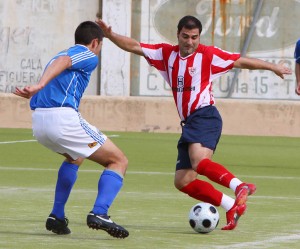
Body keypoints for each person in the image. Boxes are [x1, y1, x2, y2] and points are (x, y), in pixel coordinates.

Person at [96, 15, 292, 230]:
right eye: (185, 37)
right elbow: (133, 46)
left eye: (194, 37)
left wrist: (273, 67)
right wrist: (110, 34)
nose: (190, 42)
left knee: (199, 162)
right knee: (183, 180)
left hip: (205, 115)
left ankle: (239, 186)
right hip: (190, 122)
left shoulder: (208, 55)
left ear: (200, 37)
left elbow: (241, 61)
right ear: (178, 35)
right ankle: (231, 205)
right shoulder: (165, 54)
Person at [13, 21, 129, 238]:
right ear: (95, 42)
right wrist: (39, 85)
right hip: (62, 119)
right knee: (118, 161)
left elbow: (62, 61)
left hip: (39, 123)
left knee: (75, 158)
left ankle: (57, 216)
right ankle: (100, 213)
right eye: (100, 45)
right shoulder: (86, 54)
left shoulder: (59, 54)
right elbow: (66, 61)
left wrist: (40, 86)